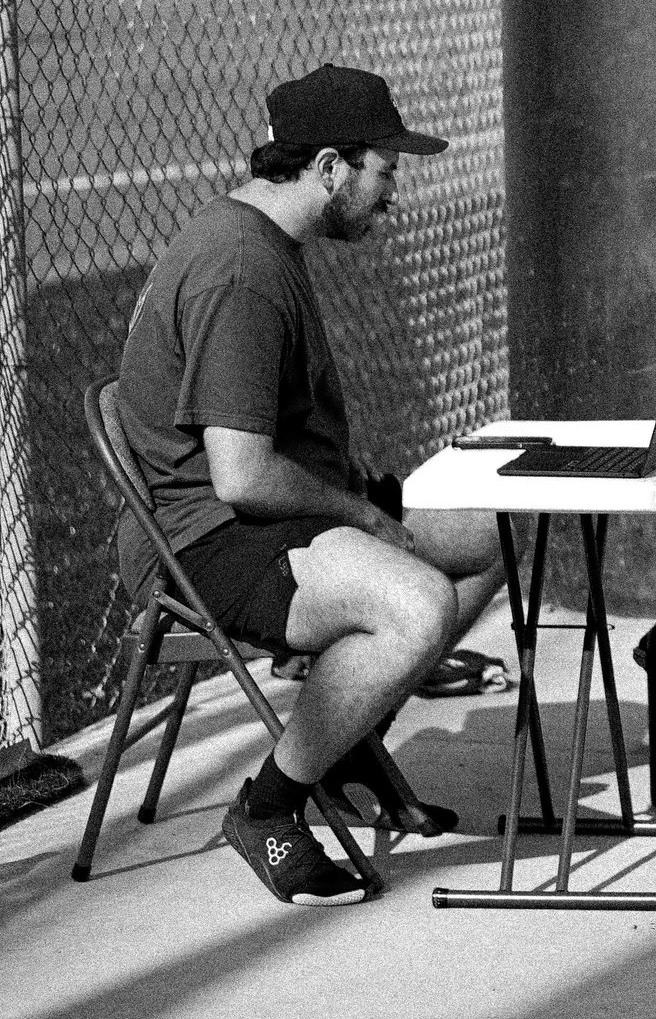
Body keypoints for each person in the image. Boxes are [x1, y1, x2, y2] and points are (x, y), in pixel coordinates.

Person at [113, 64, 502, 905]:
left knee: (495, 532)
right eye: (384, 169)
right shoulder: (240, 271)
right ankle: (268, 806)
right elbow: (242, 476)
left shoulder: (264, 242)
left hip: (264, 513)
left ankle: (346, 731)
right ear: (330, 168)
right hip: (205, 539)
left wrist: (365, 508)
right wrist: (364, 512)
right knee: (418, 605)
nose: (392, 192)